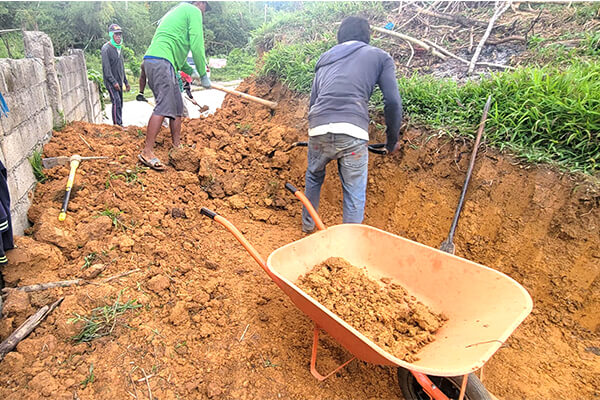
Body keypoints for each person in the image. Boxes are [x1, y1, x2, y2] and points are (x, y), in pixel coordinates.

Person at [302, 16, 403, 233]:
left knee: (313, 175)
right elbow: (392, 101)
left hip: (318, 127)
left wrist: (317, 130)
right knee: (354, 189)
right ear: (367, 36)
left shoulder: (325, 58)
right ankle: (348, 244)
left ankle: (308, 228)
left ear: (340, 38)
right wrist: (392, 141)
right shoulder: (379, 56)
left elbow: (313, 102)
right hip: (352, 131)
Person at [138, 1, 212, 171]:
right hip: (161, 61)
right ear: (199, 3)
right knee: (164, 107)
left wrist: (189, 70)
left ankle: (176, 147)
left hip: (161, 61)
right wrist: (202, 73)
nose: (203, 13)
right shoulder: (192, 10)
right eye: (205, 9)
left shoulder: (178, 12)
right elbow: (197, 45)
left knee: (177, 107)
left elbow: (177, 52)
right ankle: (147, 152)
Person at [101, 24, 130, 127]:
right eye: (116, 35)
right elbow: (106, 69)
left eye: (120, 35)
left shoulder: (119, 48)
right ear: (111, 35)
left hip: (119, 79)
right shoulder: (106, 49)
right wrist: (113, 82)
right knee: (116, 101)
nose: (118, 37)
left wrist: (126, 81)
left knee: (121, 102)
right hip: (110, 81)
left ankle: (120, 123)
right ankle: (116, 125)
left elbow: (121, 67)